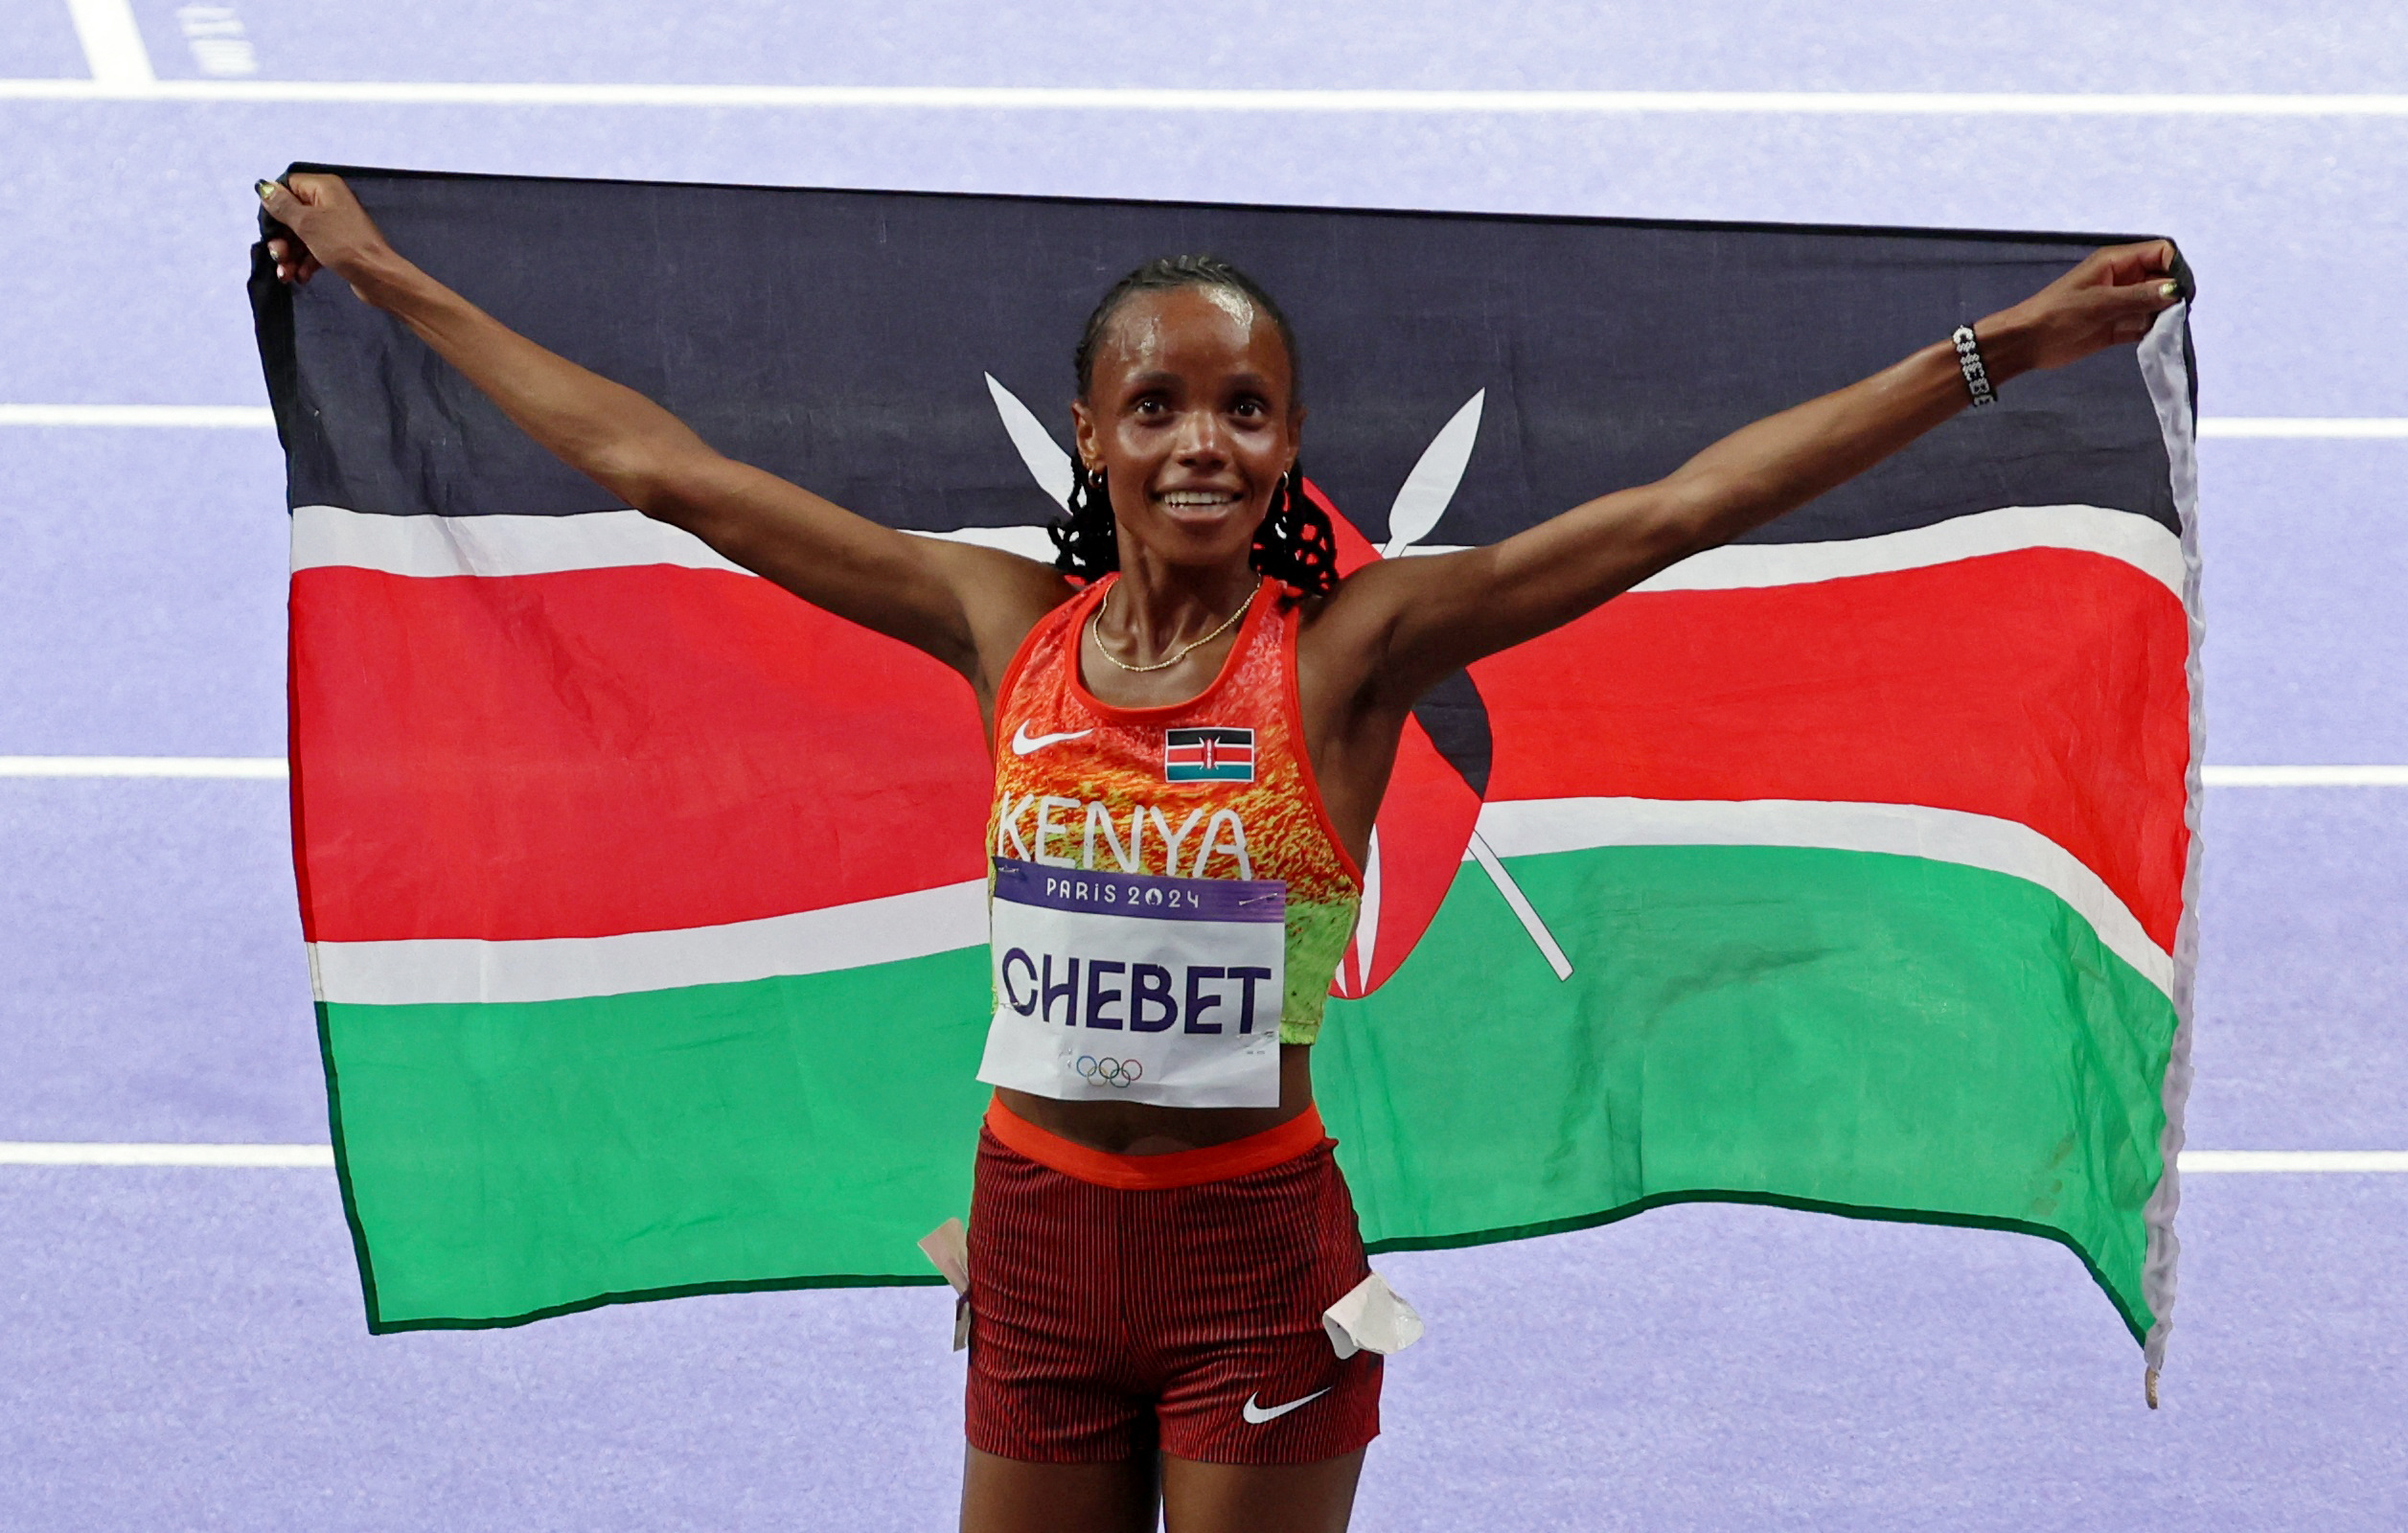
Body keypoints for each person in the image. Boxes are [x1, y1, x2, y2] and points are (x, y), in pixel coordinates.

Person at [260, 172, 2180, 1533]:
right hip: (1032, 1246)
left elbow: (1684, 508)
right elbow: (667, 472)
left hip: (1254, 1265)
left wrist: (1991, 354)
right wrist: (385, 278)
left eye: (1243, 410)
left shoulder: (1347, 655)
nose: (1202, 440)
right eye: (1159, 404)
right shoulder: (997, 623)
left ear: (1287, 445)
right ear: (1090, 433)